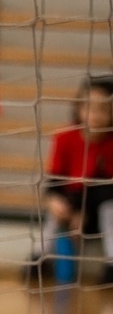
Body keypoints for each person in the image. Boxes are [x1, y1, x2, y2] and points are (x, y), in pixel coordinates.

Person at [41, 75, 113, 286]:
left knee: (111, 208)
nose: (96, 115)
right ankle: (39, 257)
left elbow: (106, 188)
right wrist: (54, 200)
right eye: (90, 107)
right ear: (79, 108)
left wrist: (84, 211)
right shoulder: (65, 137)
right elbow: (54, 180)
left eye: (104, 110)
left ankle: (111, 264)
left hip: (96, 209)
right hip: (70, 204)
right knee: (53, 212)